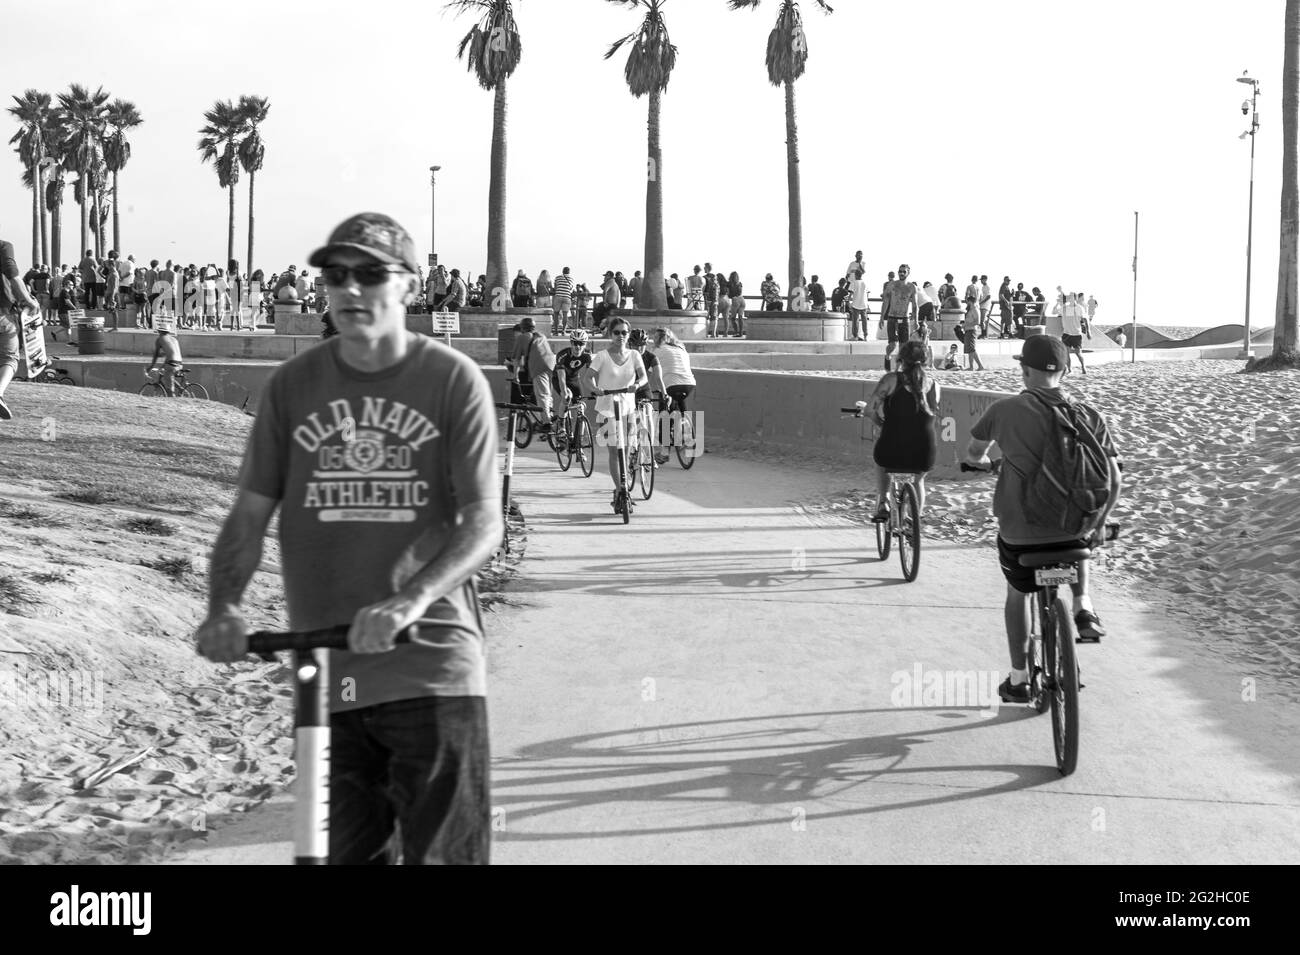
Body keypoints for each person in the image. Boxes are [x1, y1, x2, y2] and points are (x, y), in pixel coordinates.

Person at [195, 211, 502, 865]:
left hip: (432, 671)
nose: (351, 289)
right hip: (331, 679)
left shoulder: (452, 381)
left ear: (410, 287)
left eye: (371, 273)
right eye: (336, 275)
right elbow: (248, 519)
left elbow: (484, 520)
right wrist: (224, 608)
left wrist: (410, 600)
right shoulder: (292, 388)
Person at [963, 335, 1123, 701]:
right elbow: (1115, 478)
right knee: (1077, 536)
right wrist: (1100, 523)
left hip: (1022, 535)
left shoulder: (1003, 411)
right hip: (1075, 530)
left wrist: (986, 464)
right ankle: (1083, 606)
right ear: (1065, 370)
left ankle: (1019, 680)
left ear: (1024, 370)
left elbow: (973, 455)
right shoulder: (1089, 414)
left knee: (1017, 593)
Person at [579, 316, 647, 510]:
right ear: (610, 334)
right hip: (607, 407)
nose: (620, 336)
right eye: (616, 332)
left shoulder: (634, 355)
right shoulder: (602, 356)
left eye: (624, 332)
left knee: (625, 450)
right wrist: (595, 389)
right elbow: (587, 378)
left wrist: (636, 385)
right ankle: (621, 489)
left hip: (627, 406)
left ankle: (622, 489)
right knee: (614, 449)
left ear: (628, 334)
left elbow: (643, 377)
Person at [868, 340, 940, 523]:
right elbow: (933, 415)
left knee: (880, 461)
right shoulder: (934, 385)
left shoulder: (891, 380)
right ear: (925, 360)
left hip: (892, 447)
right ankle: (914, 521)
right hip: (925, 449)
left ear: (901, 359)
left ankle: (883, 501)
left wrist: (881, 424)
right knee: (918, 481)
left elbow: (870, 410)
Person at [1, 237, 42, 421]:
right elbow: (14, 277)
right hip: (3, 315)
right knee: (10, 358)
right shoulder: (4, 246)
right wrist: (29, 300)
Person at [652, 326, 696, 462]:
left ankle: (664, 453)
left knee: (664, 416)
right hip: (689, 384)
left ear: (659, 339)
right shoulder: (681, 348)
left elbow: (653, 373)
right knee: (680, 403)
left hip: (671, 384)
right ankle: (685, 429)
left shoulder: (658, 351)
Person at [509, 315, 557, 427]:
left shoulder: (522, 337)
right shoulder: (540, 335)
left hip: (538, 366)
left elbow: (516, 359)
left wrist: (515, 376)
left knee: (542, 395)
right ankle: (549, 414)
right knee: (547, 393)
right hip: (552, 364)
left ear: (522, 328)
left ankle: (546, 422)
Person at [880, 263, 918, 371]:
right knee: (892, 345)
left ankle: (897, 370)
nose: (901, 273)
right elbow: (885, 302)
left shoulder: (912, 287)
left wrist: (916, 320)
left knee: (903, 347)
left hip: (904, 318)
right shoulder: (891, 285)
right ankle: (887, 356)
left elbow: (915, 305)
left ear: (908, 273)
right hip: (892, 318)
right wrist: (881, 317)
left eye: (904, 271)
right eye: (900, 271)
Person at [552, 327, 592, 420]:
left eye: (581, 343)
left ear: (585, 344)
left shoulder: (587, 355)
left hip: (573, 379)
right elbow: (561, 378)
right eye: (575, 343)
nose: (578, 347)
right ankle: (562, 424)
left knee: (581, 405)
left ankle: (580, 431)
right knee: (567, 397)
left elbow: (590, 374)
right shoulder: (562, 355)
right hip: (558, 379)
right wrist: (564, 392)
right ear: (571, 343)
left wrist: (594, 388)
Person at [1058, 291, 1091, 374]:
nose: (1071, 299)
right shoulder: (1064, 308)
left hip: (1076, 334)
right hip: (1066, 334)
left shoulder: (1079, 308)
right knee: (1066, 353)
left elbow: (1085, 319)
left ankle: (1083, 367)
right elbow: (1058, 316)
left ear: (1075, 298)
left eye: (1072, 297)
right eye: (1070, 297)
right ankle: (1069, 369)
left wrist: (1088, 331)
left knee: (1078, 353)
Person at [146, 327, 184, 396]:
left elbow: (156, 355)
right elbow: (171, 353)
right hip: (180, 364)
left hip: (171, 364)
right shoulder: (174, 339)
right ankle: (180, 388)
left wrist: (150, 367)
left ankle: (172, 397)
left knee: (169, 390)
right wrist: (162, 364)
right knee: (166, 374)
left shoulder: (160, 339)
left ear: (160, 332)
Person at [962, 293, 985, 370]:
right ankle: (974, 366)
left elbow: (977, 321)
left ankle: (977, 366)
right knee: (970, 349)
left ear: (970, 302)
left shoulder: (975, 310)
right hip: (968, 330)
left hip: (972, 330)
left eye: (968, 302)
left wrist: (967, 324)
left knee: (972, 349)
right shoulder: (970, 310)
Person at [551, 266, 575, 333]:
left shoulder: (557, 277)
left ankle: (555, 331)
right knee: (565, 314)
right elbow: (571, 289)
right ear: (569, 272)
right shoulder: (571, 279)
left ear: (562, 271)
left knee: (556, 313)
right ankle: (563, 330)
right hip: (567, 297)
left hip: (558, 296)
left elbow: (555, 288)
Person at [848, 271, 870, 340]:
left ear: (856, 275)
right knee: (864, 320)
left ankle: (855, 336)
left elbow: (851, 294)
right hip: (864, 304)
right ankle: (865, 336)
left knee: (855, 321)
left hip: (856, 304)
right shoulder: (865, 282)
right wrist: (867, 303)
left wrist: (848, 301)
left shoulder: (853, 282)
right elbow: (867, 294)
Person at [726, 271, 746, 336]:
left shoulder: (729, 284)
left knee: (733, 318)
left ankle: (736, 332)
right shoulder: (740, 283)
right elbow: (740, 293)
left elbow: (729, 294)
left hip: (735, 300)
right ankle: (741, 333)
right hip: (742, 300)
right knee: (740, 317)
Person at [702, 263, 719, 336]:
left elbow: (702, 289)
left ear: (707, 268)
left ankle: (705, 333)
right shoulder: (715, 278)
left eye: (704, 267)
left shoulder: (704, 278)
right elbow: (718, 289)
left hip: (707, 299)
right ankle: (713, 333)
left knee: (707, 317)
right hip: (715, 299)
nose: (704, 268)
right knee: (714, 317)